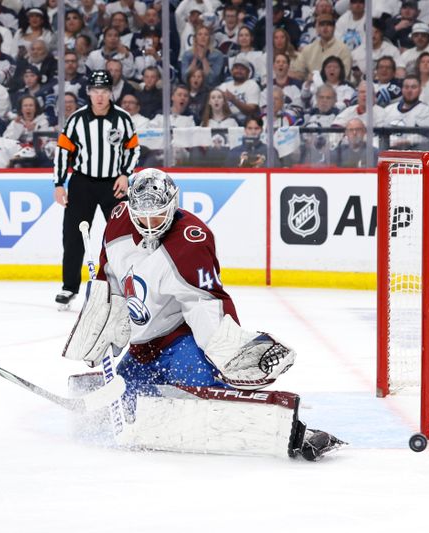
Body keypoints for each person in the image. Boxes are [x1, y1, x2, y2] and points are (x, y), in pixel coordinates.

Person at [61, 168, 344, 461]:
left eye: (156, 216)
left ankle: (295, 433)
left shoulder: (190, 241)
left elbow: (204, 303)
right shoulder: (118, 221)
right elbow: (110, 282)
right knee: (124, 401)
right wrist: (102, 319)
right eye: (141, 216)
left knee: (205, 392)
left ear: (172, 206)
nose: (148, 225)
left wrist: (226, 350)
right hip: (140, 347)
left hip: (176, 339)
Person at [53, 69, 139, 308]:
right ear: (89, 93)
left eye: (104, 91)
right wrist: (59, 183)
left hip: (114, 184)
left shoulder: (122, 118)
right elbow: (62, 151)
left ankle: (124, 284)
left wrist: (125, 174)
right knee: (73, 236)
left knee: (122, 235)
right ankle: (69, 287)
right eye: (95, 91)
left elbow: (133, 149)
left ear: (111, 93)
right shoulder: (77, 120)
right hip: (82, 182)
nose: (99, 96)